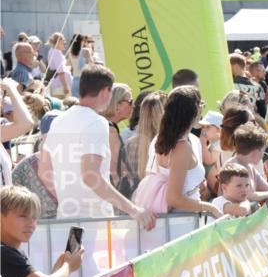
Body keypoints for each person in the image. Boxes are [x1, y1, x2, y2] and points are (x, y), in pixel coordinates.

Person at [38, 64, 155, 228]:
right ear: (106, 91)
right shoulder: (96, 122)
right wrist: (133, 210)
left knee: (73, 255)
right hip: (95, 222)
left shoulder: (59, 121)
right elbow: (90, 176)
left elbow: (43, 171)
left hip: (66, 218)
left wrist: (67, 200)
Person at [147, 86, 229, 218]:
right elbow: (173, 198)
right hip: (180, 222)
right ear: (194, 110)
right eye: (201, 104)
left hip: (180, 220)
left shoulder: (174, 139)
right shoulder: (181, 146)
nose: (203, 108)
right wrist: (210, 207)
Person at [1, 186, 83, 277]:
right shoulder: (4, 254)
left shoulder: (14, 252)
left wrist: (57, 271)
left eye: (35, 217)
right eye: (23, 216)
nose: (31, 224)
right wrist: (69, 266)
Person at [45, 33, 72, 99]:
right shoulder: (56, 52)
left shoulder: (53, 51)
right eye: (63, 40)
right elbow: (60, 71)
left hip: (59, 84)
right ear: (58, 41)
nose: (65, 42)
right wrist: (65, 86)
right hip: (60, 85)